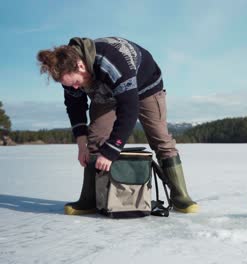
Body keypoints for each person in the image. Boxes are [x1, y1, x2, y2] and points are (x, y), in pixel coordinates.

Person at [37, 37, 198, 214]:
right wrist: (81, 144)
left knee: (160, 139)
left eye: (75, 83)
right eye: (69, 85)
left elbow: (129, 109)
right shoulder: (68, 72)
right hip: (106, 92)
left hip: (146, 87)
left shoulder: (111, 62)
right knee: (96, 139)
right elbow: (75, 107)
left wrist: (111, 151)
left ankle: (180, 196)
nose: (74, 88)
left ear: (80, 66)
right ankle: (90, 199)